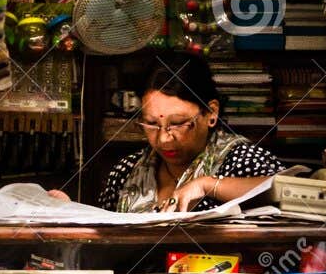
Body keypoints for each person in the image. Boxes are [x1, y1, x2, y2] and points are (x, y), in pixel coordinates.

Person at [98, 53, 281, 213]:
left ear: (211, 113)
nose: (163, 139)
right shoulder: (126, 170)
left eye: (177, 123)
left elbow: (294, 192)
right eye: (152, 124)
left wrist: (208, 185)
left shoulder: (242, 161)